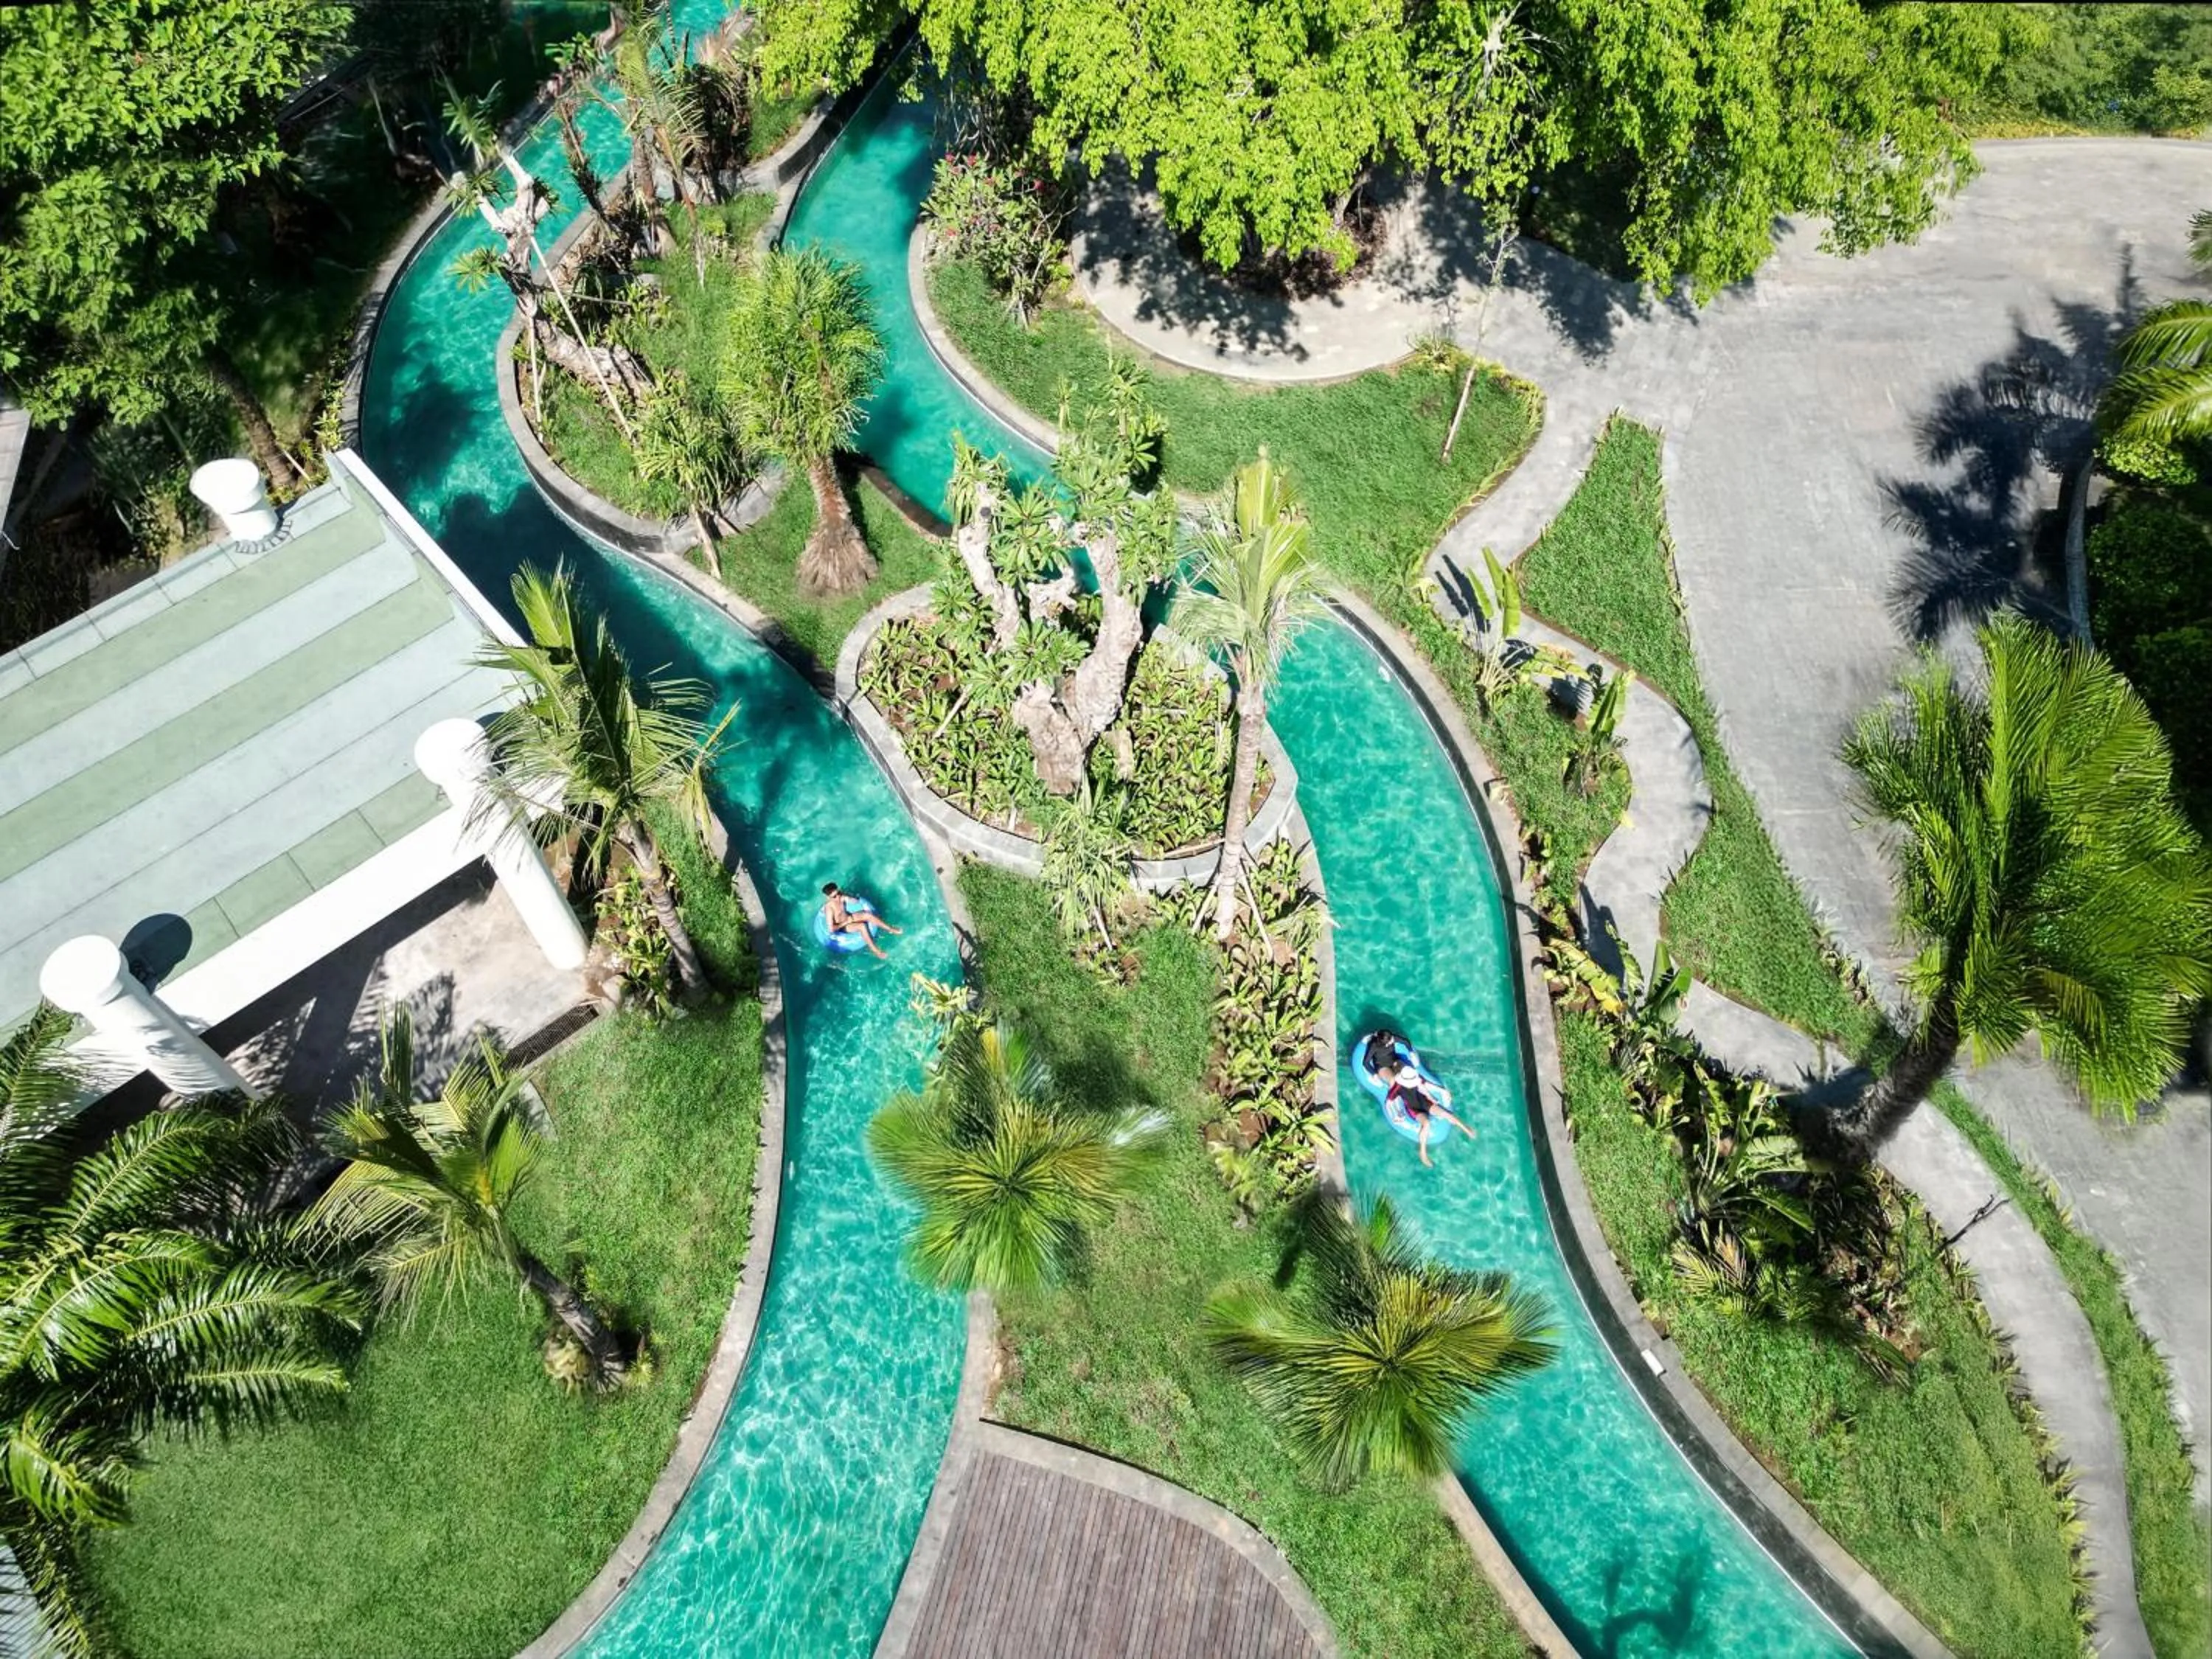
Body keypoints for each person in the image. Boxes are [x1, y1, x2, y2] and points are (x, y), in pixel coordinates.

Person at [1388, 1068, 1475, 1169]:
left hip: (1424, 1103)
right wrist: (1395, 1114)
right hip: (1414, 1109)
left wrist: (1440, 1092)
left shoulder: (1417, 1079)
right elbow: (1389, 1102)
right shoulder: (1397, 1087)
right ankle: (1423, 1154)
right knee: (1426, 1123)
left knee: (1446, 1113)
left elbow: (1426, 1086)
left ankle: (1466, 1129)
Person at [824, 882, 902, 959]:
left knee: (867, 915)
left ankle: (890, 929)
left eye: (838, 893)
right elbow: (831, 929)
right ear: (828, 897)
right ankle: (876, 951)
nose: (837, 897)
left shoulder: (841, 897)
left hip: (849, 918)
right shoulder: (829, 909)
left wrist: (850, 898)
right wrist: (847, 922)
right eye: (834, 896)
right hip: (843, 926)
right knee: (862, 926)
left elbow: (854, 901)